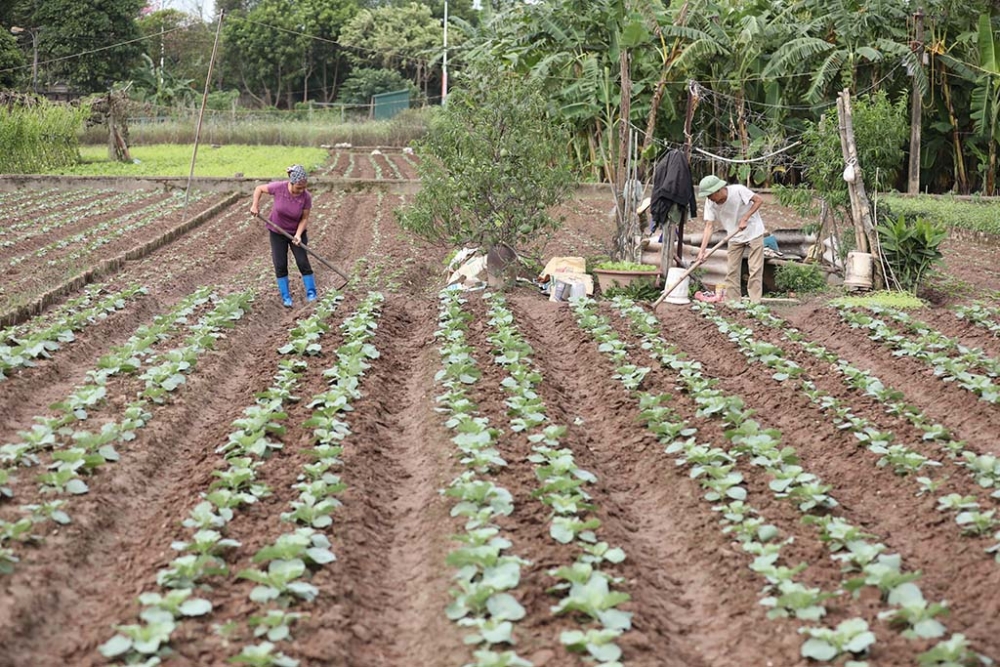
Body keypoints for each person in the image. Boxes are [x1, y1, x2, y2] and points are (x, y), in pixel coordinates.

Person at [250, 165, 317, 307]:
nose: (301, 191)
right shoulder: (279, 188)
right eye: (298, 188)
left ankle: (312, 294)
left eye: (303, 188)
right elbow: (259, 189)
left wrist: (298, 235)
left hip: (296, 232)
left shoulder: (306, 197)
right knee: (280, 264)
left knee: (302, 262)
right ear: (291, 183)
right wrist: (255, 205)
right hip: (277, 232)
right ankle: (286, 298)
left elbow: (304, 218)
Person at [696, 175, 765, 303]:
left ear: (718, 190)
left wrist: (746, 218)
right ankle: (733, 303)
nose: (709, 199)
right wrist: (702, 251)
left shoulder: (738, 191)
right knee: (732, 271)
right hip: (734, 236)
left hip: (754, 231)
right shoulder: (710, 202)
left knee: (755, 269)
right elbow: (709, 226)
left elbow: (759, 200)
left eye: (710, 195)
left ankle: (755, 303)